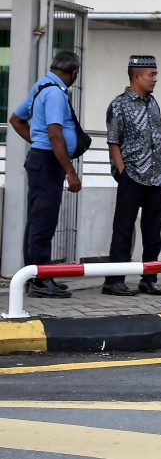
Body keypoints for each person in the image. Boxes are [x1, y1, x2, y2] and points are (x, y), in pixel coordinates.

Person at [9, 51, 83, 299]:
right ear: (73, 73)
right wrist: (70, 172)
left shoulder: (41, 85)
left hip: (41, 159)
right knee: (43, 222)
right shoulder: (55, 93)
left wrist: (37, 142)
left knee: (37, 220)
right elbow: (54, 134)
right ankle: (40, 282)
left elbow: (16, 119)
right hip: (48, 163)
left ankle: (38, 277)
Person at [104, 55, 161, 297]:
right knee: (123, 231)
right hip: (131, 176)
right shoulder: (119, 105)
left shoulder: (153, 104)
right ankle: (114, 280)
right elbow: (113, 142)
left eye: (155, 74)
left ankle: (149, 278)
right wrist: (123, 173)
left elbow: (158, 142)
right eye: (151, 74)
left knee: (153, 233)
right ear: (137, 76)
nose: (155, 79)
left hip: (155, 178)